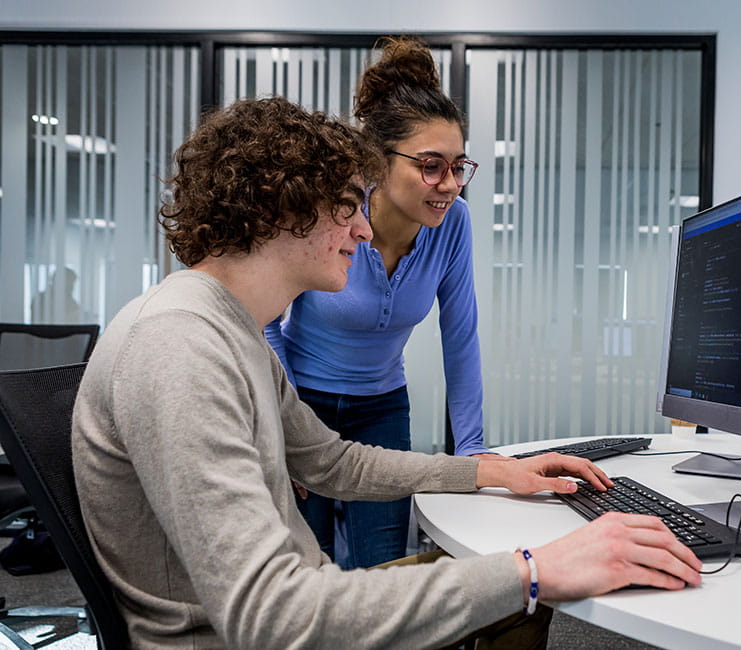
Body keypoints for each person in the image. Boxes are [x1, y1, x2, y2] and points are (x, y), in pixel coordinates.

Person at [71, 96, 703, 649]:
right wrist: (533, 569)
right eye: (347, 208)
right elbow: (273, 619)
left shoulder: (230, 329)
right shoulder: (181, 347)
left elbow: (336, 462)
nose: (366, 229)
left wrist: (491, 470)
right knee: (523, 588)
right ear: (279, 211)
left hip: (291, 607)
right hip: (241, 638)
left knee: (516, 599)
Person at [265, 36, 499, 569]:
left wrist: (474, 456)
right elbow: (269, 322)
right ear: (380, 160)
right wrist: (290, 423)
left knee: (383, 565)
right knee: (309, 562)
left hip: (383, 406)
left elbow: (460, 336)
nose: (449, 185)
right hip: (306, 401)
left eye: (459, 167)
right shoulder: (334, 212)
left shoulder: (453, 223)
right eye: (432, 166)